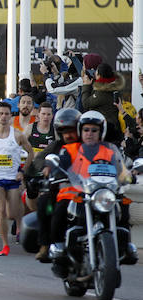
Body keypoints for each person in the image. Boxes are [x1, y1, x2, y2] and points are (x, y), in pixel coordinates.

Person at [50, 110, 137, 270]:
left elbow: (121, 168)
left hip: (104, 192)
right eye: (86, 130)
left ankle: (126, 246)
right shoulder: (70, 150)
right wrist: (58, 173)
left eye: (94, 130)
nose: (90, 134)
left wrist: (129, 174)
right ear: (80, 131)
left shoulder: (110, 151)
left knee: (123, 205)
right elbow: (62, 166)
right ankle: (59, 247)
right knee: (61, 208)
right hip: (79, 193)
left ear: (101, 132)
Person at [0, 101, 36, 257]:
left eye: (6, 114)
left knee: (11, 213)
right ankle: (4, 245)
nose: (3, 117)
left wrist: (23, 172)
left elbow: (30, 153)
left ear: (11, 117)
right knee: (1, 209)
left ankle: (18, 225)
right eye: (1, 113)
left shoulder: (18, 135)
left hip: (13, 178)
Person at [23, 107, 81, 260]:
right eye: (64, 131)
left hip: (87, 189)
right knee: (44, 204)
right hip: (63, 189)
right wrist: (43, 169)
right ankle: (45, 244)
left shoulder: (87, 145)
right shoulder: (56, 146)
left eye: (72, 130)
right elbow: (40, 159)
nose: (68, 134)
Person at [81, 62, 124, 145]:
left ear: (99, 76)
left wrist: (86, 85)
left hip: (106, 131)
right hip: (112, 128)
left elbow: (86, 103)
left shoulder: (102, 92)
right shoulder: (112, 87)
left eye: (96, 73)